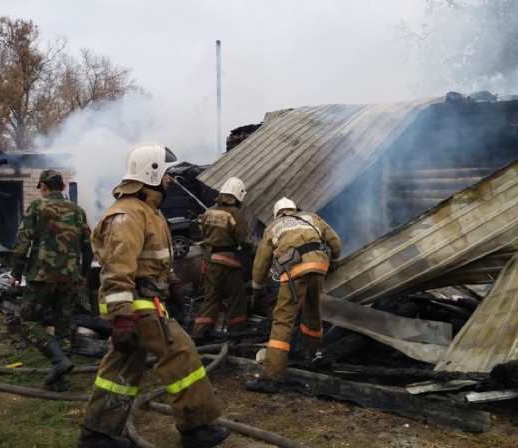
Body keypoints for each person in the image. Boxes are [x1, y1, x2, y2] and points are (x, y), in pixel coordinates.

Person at [77, 142, 229, 448]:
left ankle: (97, 435)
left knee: (121, 369)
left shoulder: (147, 213)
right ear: (152, 173)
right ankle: (196, 429)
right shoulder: (128, 215)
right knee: (181, 354)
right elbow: (117, 269)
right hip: (138, 306)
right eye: (166, 174)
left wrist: (172, 281)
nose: (169, 180)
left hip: (144, 302)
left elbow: (154, 260)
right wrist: (122, 319)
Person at [245, 197, 342, 393]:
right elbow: (336, 244)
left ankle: (271, 376)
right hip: (319, 266)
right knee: (313, 313)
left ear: (278, 213)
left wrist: (257, 288)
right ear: (294, 209)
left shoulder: (274, 227)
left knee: (283, 320)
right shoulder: (312, 218)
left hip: (294, 271)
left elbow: (261, 264)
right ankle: (310, 354)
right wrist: (334, 263)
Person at [9, 169, 93, 391]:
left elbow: (22, 244)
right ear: (63, 187)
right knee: (63, 327)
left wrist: (15, 273)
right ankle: (60, 379)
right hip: (69, 278)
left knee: (27, 321)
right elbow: (88, 247)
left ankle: (58, 362)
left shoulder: (38, 207)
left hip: (41, 277)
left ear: (43, 188)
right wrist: (83, 273)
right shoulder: (78, 211)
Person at [193, 177, 255, 340]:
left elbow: (203, 233)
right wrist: (255, 256)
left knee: (211, 297)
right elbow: (245, 240)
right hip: (228, 261)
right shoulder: (235, 214)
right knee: (237, 296)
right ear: (237, 196)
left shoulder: (209, 211)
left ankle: (200, 333)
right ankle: (236, 332)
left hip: (210, 261)